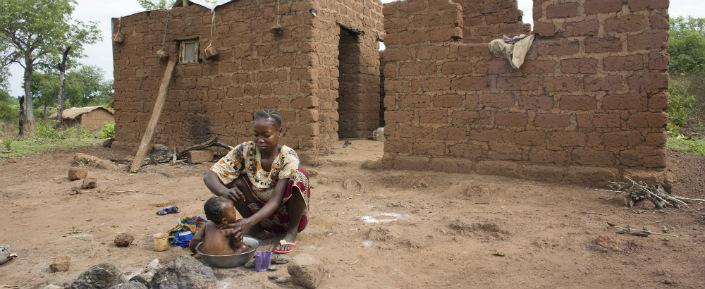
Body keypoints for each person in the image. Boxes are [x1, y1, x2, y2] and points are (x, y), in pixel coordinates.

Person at [203, 110, 311, 254]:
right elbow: (209, 177)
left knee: (300, 176)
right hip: (257, 217)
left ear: (280, 132)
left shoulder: (288, 157)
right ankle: (257, 231)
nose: (260, 139)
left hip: (285, 218)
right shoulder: (245, 150)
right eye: (256, 135)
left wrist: (247, 222)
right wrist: (225, 192)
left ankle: (291, 234)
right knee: (232, 180)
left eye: (266, 135)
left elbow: (275, 201)